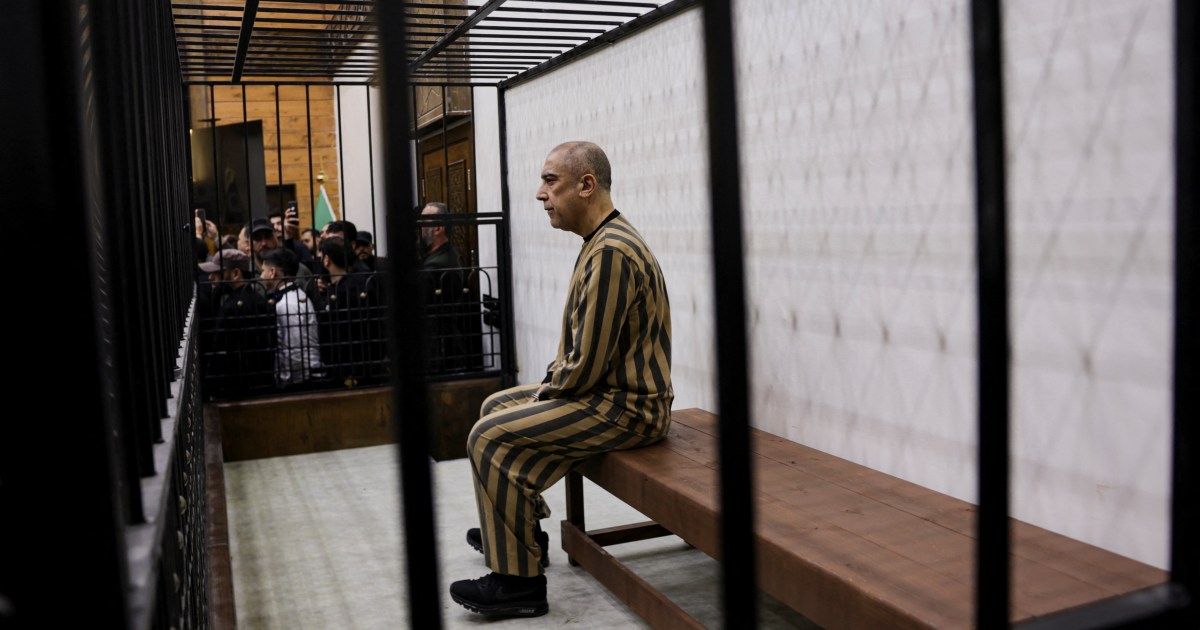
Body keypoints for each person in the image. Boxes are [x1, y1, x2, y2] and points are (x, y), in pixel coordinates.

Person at [449, 142, 673, 617]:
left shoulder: (611, 251)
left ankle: (518, 585)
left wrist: (547, 390)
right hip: (608, 395)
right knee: (495, 406)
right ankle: (522, 534)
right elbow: (582, 354)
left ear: (586, 185)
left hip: (628, 408)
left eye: (551, 181)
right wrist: (548, 386)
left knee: (489, 436)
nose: (540, 193)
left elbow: (585, 364)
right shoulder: (602, 241)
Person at [197, 249, 274, 395]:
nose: (211, 277)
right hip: (261, 382)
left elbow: (220, 351)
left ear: (236, 273)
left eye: (217, 272)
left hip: (235, 388)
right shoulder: (259, 300)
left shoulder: (231, 307)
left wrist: (209, 387)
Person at [260, 248, 323, 387]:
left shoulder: (287, 304)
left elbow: (295, 347)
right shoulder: (293, 296)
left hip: (301, 380)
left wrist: (288, 381)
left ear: (273, 272)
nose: (261, 276)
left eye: (263, 271)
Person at [418, 202, 468, 372]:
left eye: (424, 221)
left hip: (440, 350)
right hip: (443, 345)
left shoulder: (437, 265)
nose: (419, 226)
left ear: (438, 228)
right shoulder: (444, 255)